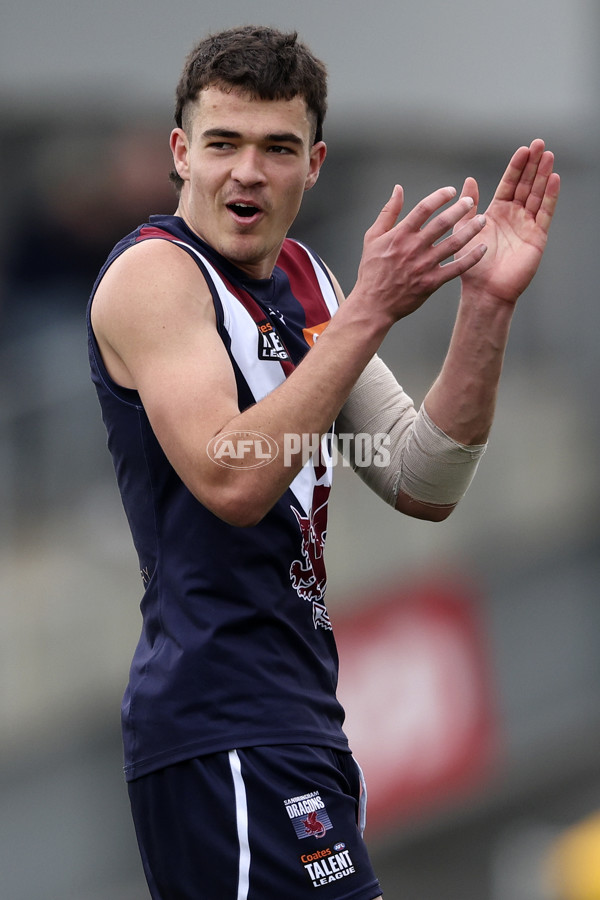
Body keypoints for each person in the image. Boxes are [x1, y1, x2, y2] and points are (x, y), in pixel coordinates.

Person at [87, 24, 560, 900]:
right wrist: (371, 312)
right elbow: (232, 478)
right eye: (223, 143)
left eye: (278, 148)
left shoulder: (310, 285)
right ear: (181, 153)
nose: (247, 172)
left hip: (299, 716)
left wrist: (486, 306)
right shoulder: (157, 278)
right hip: (220, 722)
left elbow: (422, 477)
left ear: (315, 165)